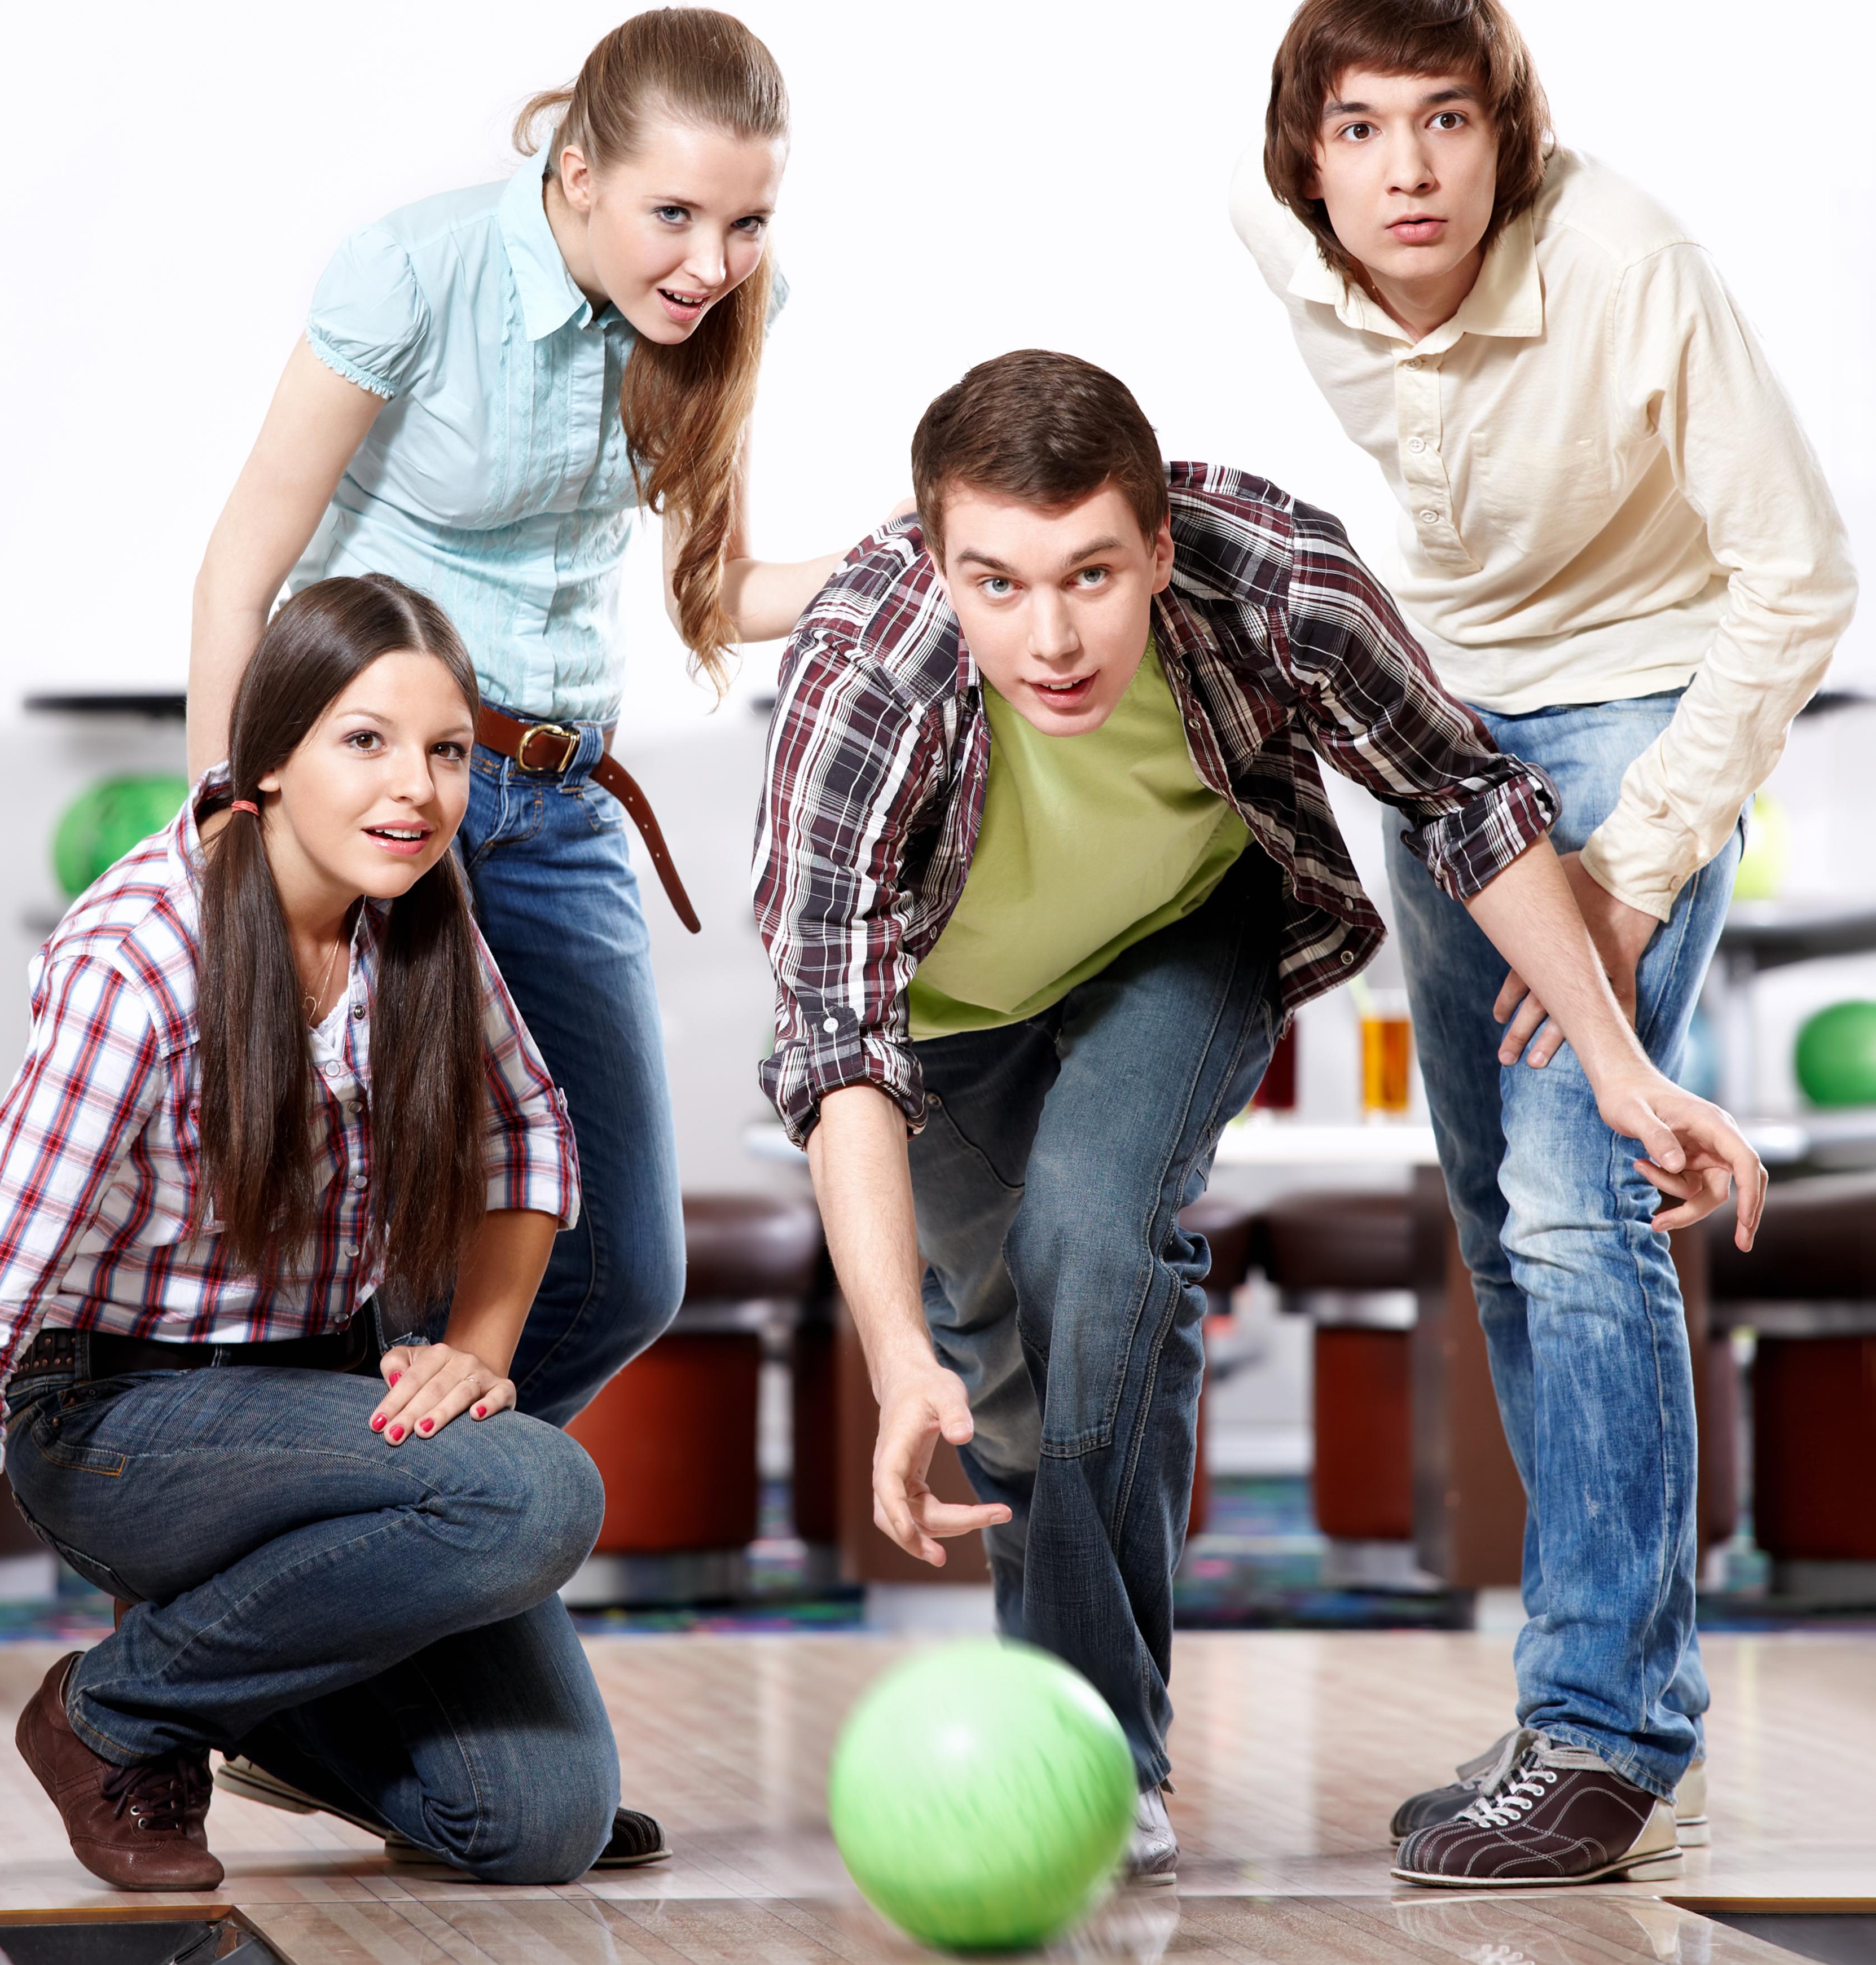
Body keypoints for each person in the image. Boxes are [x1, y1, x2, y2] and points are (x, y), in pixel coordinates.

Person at [753, 349, 1765, 1886]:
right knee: (1006, 1387)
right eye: (998, 583)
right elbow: (836, 1044)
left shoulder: (1276, 576)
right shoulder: (861, 676)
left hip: (1181, 934)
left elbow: (1461, 796)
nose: (1050, 637)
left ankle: (1100, 1760)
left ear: (1159, 547)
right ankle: (1074, 1715)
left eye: (1091, 575)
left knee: (1096, 1243)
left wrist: (1622, 1067)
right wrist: (896, 1356)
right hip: (941, 1027)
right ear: (935, 558)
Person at [1232, 0, 1855, 1887]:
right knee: (1505, 1224)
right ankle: (1598, 1698)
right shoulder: (1279, 236)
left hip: (1631, 725)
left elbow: (1801, 573)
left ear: (1508, 134)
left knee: (1582, 1216)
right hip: (1441, 742)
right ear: (1306, 157)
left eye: (1445, 120)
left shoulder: (1628, 263)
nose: (1405, 170)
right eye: (1359, 129)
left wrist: (1637, 865)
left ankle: (1605, 1733)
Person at [0, 577, 657, 1889]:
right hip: (116, 1423)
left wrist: (476, 1345)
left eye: (444, 750)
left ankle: (223, 1689)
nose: (414, 788)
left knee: (538, 1823)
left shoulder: (416, 909)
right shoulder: (134, 966)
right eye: (365, 740)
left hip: (322, 1399)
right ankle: (113, 1713)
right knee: (536, 1491)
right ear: (271, 757)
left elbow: (528, 1128)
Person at [188, 9, 855, 1471]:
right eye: (674, 215)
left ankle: (405, 1519)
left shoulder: (725, 309)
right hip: (387, 794)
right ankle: (381, 1546)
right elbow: (240, 574)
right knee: (387, 1259)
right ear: (576, 173)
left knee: (622, 1268)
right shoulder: (413, 274)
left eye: (746, 222)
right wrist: (232, 839)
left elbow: (719, 593)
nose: (711, 261)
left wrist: (928, 556)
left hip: (562, 804)